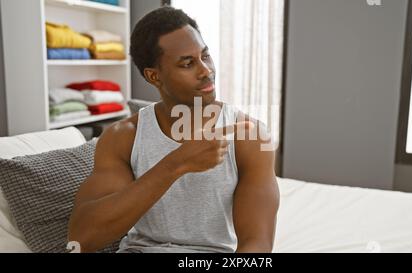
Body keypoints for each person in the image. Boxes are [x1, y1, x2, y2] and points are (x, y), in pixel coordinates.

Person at [68, 6, 280, 253]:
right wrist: (176, 164)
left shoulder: (249, 136)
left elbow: (258, 244)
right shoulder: (123, 137)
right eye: (188, 63)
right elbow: (80, 240)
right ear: (154, 76)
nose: (206, 70)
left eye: (205, 55)